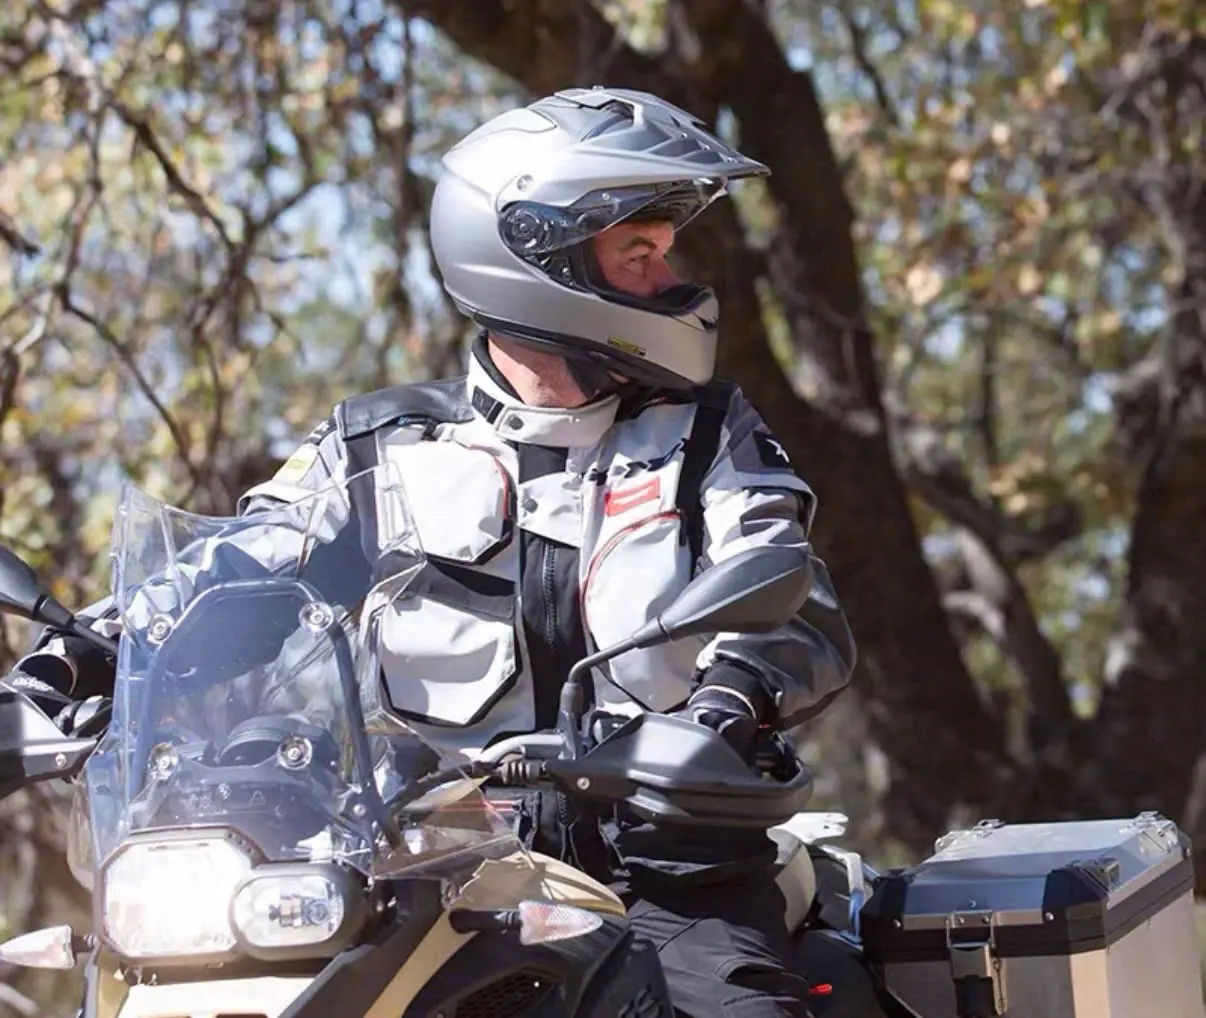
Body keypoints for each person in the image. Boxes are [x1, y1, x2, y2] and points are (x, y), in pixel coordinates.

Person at [11, 87, 855, 1017]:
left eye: (662, 254)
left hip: (669, 865)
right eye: (639, 255)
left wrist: (728, 703)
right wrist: (69, 668)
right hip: (431, 867)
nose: (671, 282)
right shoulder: (381, 450)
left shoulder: (708, 437)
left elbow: (789, 592)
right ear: (541, 258)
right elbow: (228, 575)